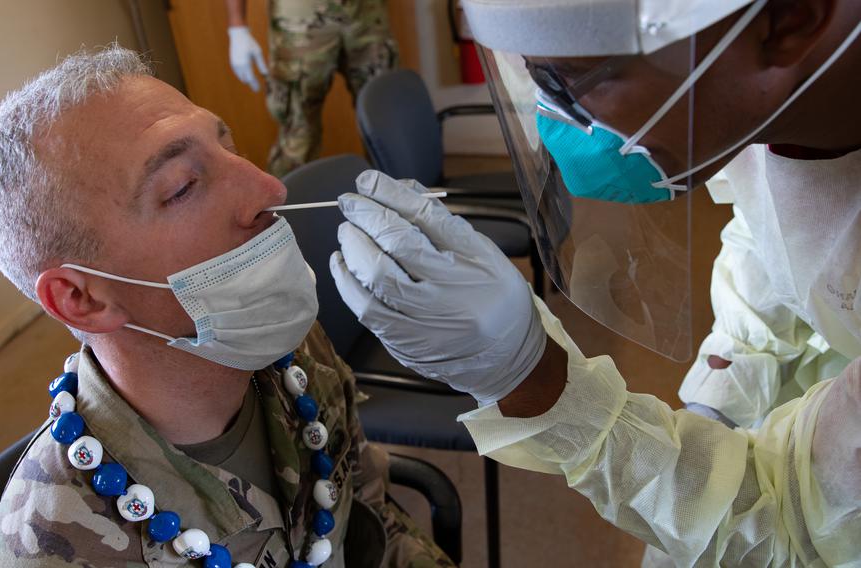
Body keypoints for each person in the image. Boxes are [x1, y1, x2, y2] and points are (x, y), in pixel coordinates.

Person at [328, 0, 861, 565]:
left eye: (569, 76)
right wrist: (723, 393)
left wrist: (537, 380)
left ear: (790, 17)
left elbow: (788, 524)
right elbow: (769, 234)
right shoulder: (770, 104)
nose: (551, 118)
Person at [0, 45, 453, 568]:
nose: (269, 187)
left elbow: (374, 524)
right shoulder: (53, 550)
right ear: (81, 298)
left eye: (228, 144)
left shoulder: (294, 353)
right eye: (183, 187)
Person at [225, 0, 398, 177]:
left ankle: (400, 199)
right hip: (299, 16)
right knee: (298, 132)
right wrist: (237, 27)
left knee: (386, 122)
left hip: (367, 12)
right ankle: (288, 201)